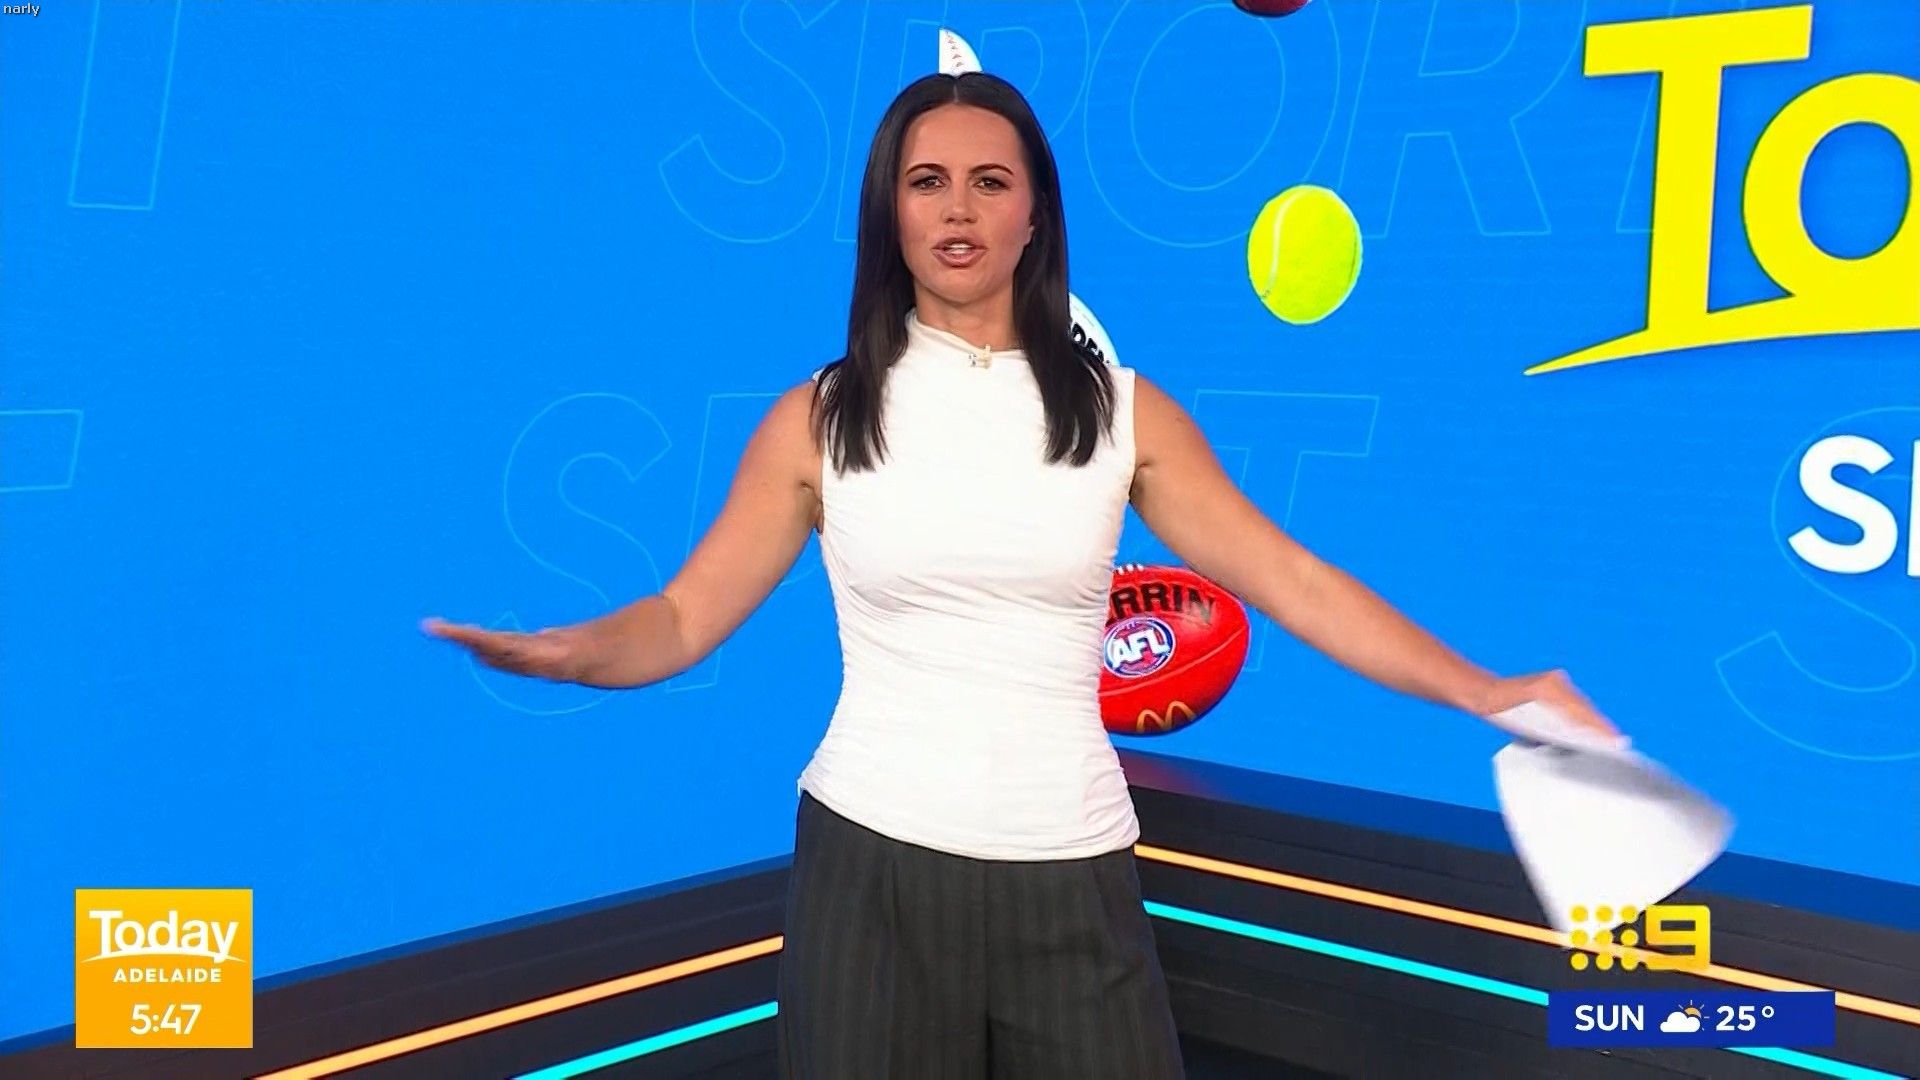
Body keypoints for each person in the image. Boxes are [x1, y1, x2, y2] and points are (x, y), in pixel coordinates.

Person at [424, 68, 1618, 1080]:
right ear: (889, 213)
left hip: (1072, 878)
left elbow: (1294, 579)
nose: (959, 209)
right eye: (927, 182)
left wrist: (1487, 689)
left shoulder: (1125, 416)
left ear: (1035, 214)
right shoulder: (818, 420)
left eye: (990, 182)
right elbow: (683, 618)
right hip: (870, 878)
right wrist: (576, 653)